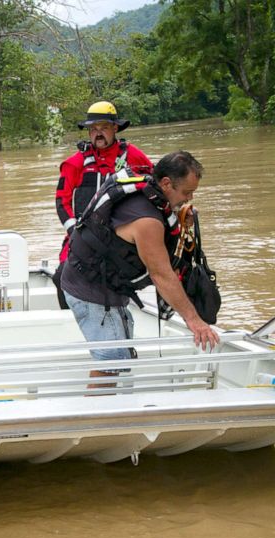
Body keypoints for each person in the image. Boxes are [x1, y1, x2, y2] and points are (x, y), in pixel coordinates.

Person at [61, 150, 220, 386]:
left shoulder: (147, 188)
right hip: (91, 292)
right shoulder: (147, 221)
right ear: (166, 183)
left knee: (118, 358)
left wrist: (178, 216)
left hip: (96, 280)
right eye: (186, 192)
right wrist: (194, 320)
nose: (189, 199)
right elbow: (161, 275)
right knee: (111, 365)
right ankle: (97, 417)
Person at [53, 101, 153, 307]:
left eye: (104, 128)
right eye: (93, 129)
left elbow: (156, 187)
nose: (98, 134)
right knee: (61, 276)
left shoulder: (134, 156)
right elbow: (61, 201)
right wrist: (74, 232)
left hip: (121, 235)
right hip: (82, 234)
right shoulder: (75, 163)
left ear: (115, 128)